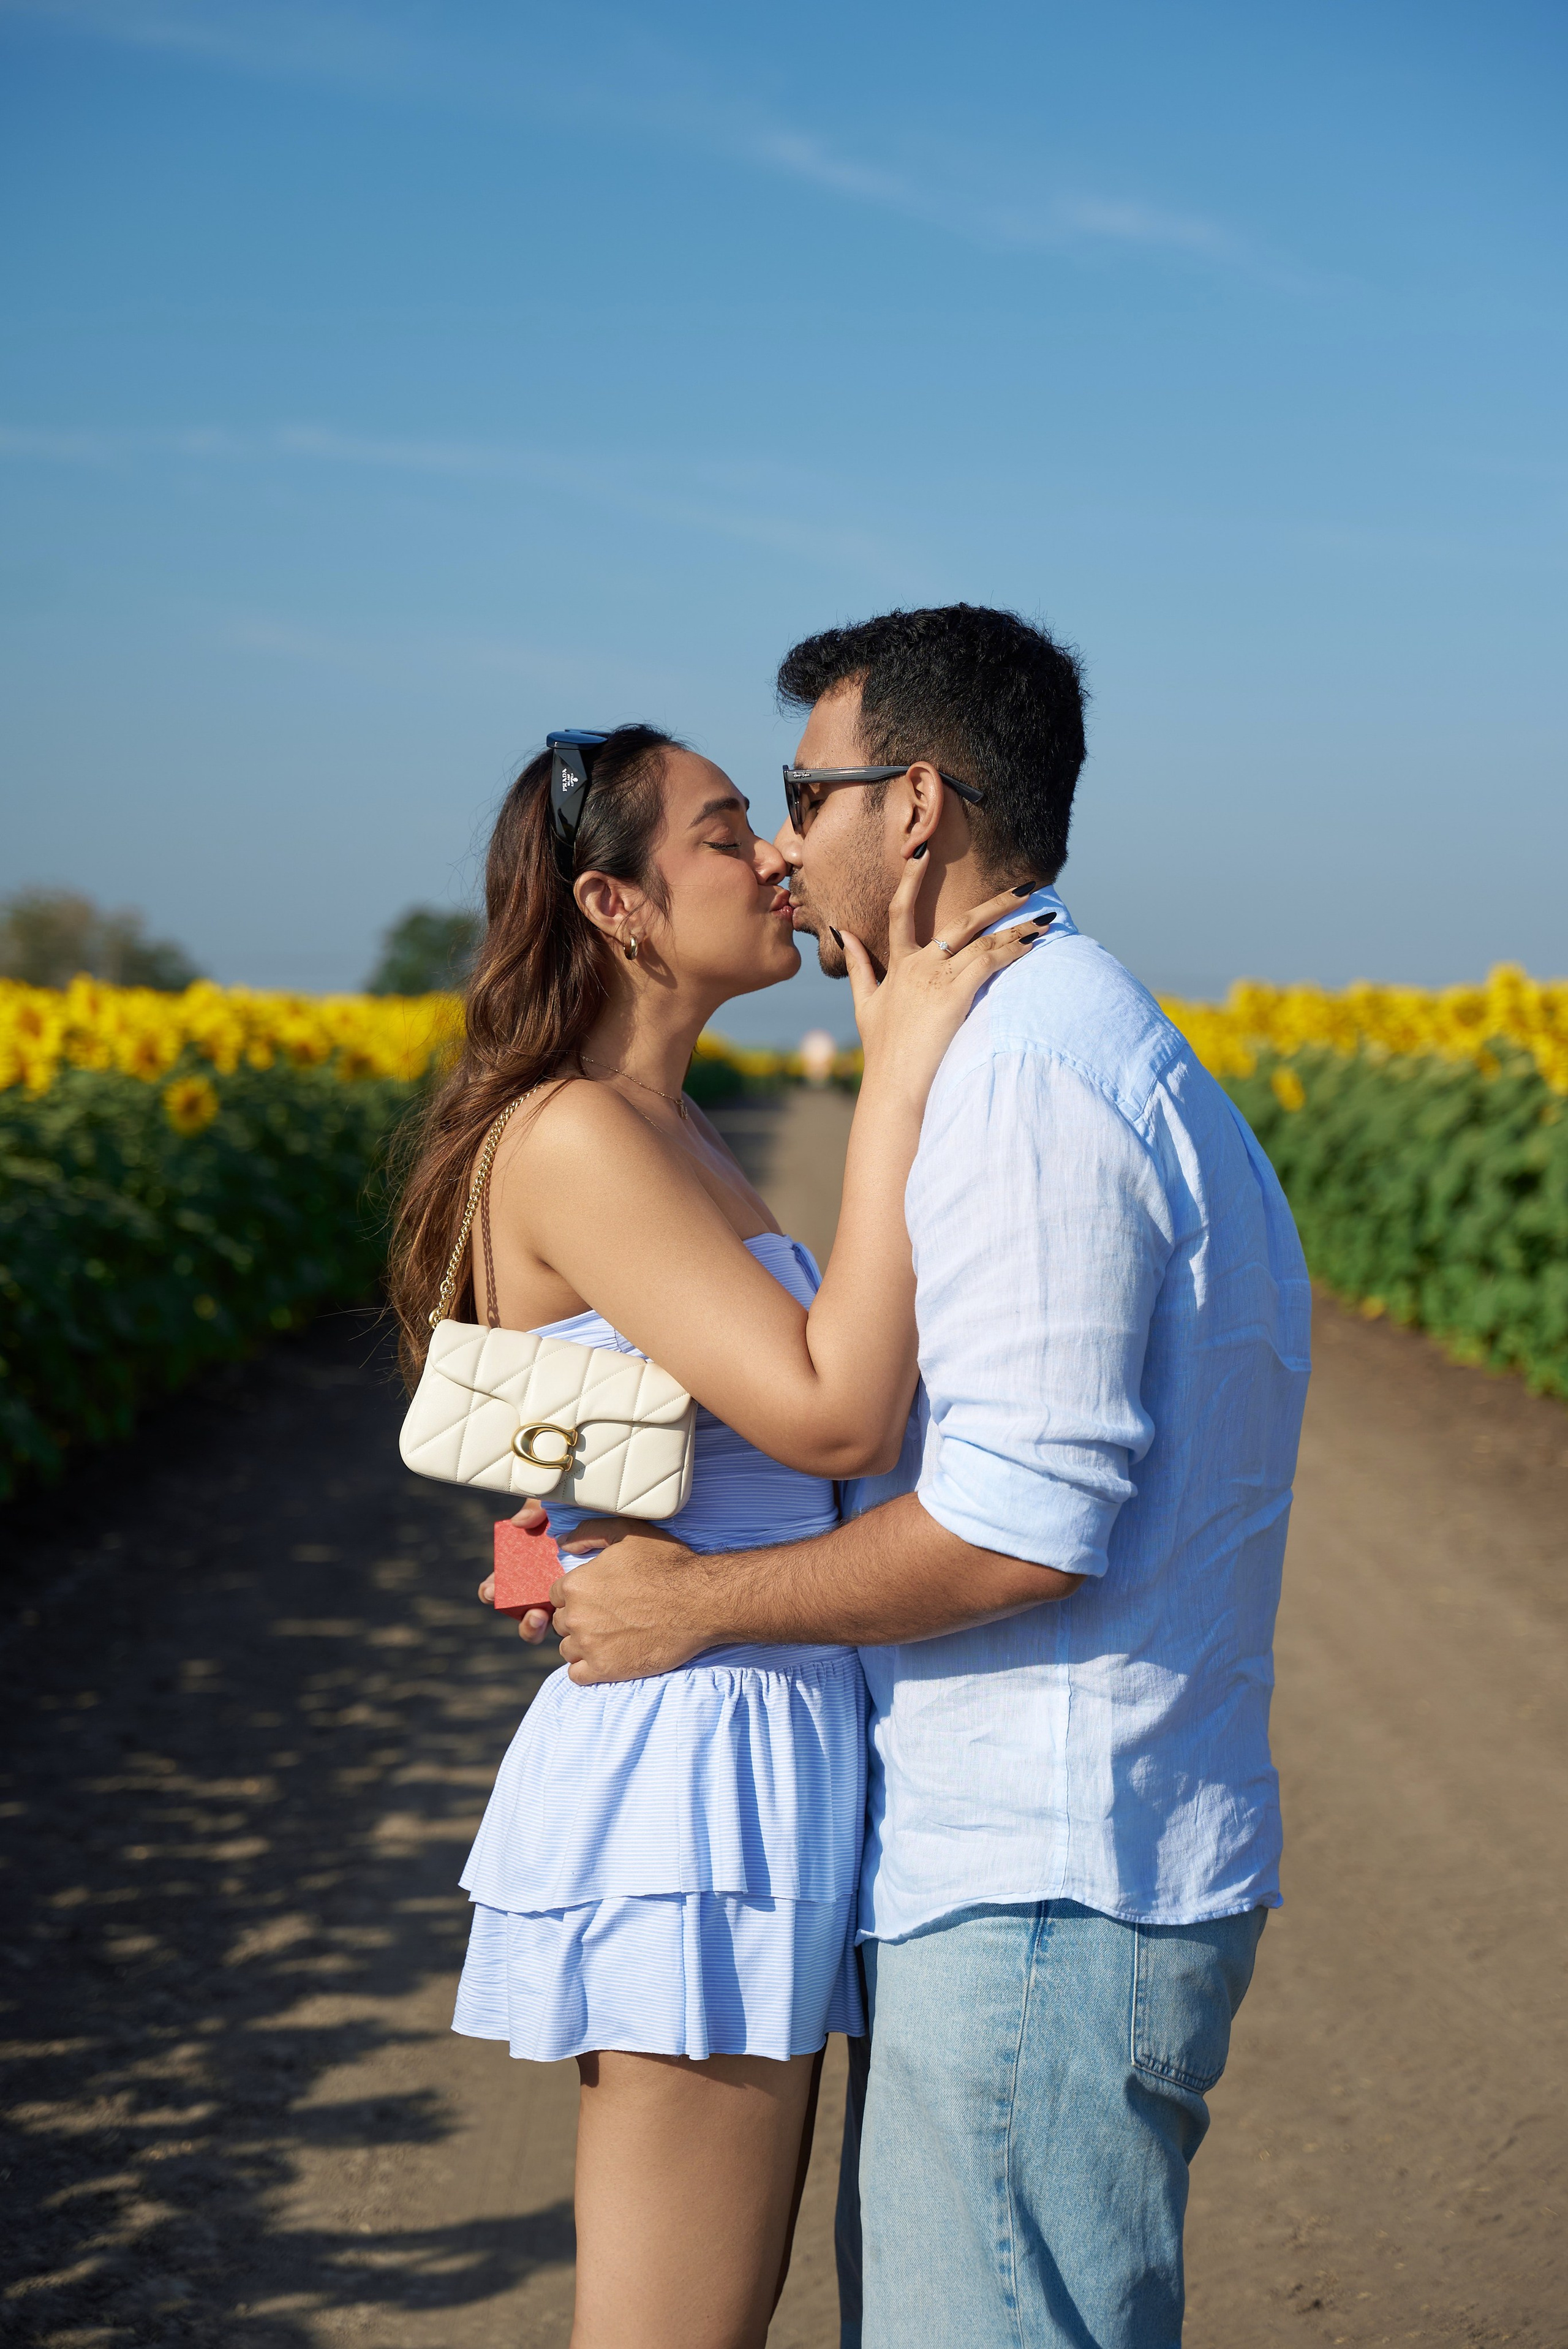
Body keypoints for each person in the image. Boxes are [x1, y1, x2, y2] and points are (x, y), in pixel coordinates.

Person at [536, 609, 1313, 2348]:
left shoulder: (1026, 1075)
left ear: (920, 807)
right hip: (1051, 1851)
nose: (787, 847)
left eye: (803, 794)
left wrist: (688, 1602)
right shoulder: (1057, 1034)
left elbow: (1014, 1528)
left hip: (1043, 1865)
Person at [388, 722, 1045, 2349]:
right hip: (701, 1762)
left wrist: (545, 1552)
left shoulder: (668, 1131)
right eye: (726, 828)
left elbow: (538, 1439)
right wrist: (898, 1068)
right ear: (617, 906)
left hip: (749, 1714)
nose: (774, 855)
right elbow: (833, 1419)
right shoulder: (585, 1137)